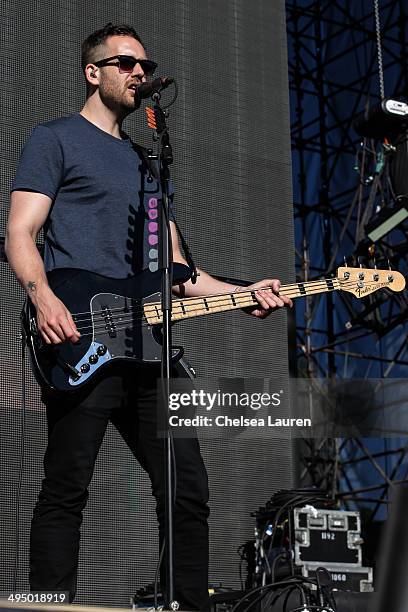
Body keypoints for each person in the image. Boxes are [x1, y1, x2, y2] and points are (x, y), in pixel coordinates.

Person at [5, 23, 292, 610]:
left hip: (150, 348)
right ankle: (52, 604)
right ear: (94, 72)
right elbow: (20, 230)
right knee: (68, 486)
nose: (141, 72)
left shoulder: (149, 165)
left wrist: (246, 291)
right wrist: (44, 299)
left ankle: (182, 602)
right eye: (127, 63)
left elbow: (181, 273)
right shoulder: (55, 138)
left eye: (145, 64)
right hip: (83, 338)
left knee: (188, 486)